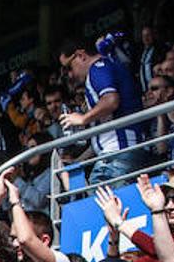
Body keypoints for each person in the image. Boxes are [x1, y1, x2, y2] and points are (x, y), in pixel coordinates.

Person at [58, 36, 148, 184]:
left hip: (118, 156)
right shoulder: (108, 66)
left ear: (81, 55)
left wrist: (83, 118)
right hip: (121, 153)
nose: (70, 74)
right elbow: (106, 133)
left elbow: (111, 100)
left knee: (104, 204)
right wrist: (77, 161)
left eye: (68, 67)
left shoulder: (98, 68)